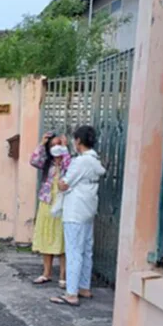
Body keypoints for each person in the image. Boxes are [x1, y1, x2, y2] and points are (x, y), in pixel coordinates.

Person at [50, 125, 105, 307]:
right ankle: (84, 287)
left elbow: (64, 184)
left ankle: (71, 293)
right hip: (89, 208)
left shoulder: (80, 162)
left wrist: (60, 180)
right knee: (86, 249)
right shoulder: (95, 161)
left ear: (79, 141)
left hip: (75, 210)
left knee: (73, 250)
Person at [30, 131, 71, 288]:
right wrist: (42, 144)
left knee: (62, 238)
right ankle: (46, 273)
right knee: (47, 235)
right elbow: (34, 160)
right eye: (52, 145)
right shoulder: (47, 163)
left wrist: (65, 150)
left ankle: (63, 276)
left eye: (58, 144)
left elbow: (69, 168)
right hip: (47, 202)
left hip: (63, 203)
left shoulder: (68, 161)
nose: (56, 148)